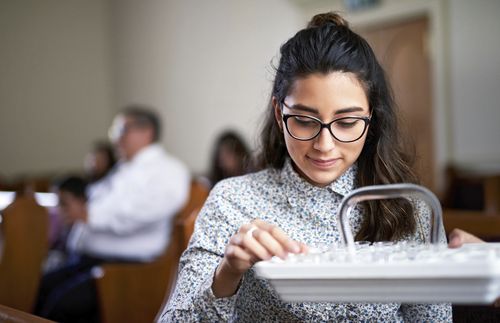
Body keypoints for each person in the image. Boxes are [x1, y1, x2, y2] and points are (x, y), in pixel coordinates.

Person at [161, 12, 451, 322]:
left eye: (348, 122)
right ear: (278, 112)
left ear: (372, 118)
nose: (324, 145)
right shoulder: (232, 201)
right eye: (302, 120)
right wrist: (227, 274)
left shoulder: (411, 210)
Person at [35, 105, 191, 322]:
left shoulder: (169, 170)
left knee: (59, 307)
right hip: (92, 260)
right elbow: (97, 198)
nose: (116, 139)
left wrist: (90, 215)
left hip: (127, 269)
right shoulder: (124, 168)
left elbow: (146, 210)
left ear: (146, 132)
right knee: (39, 287)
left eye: (121, 130)